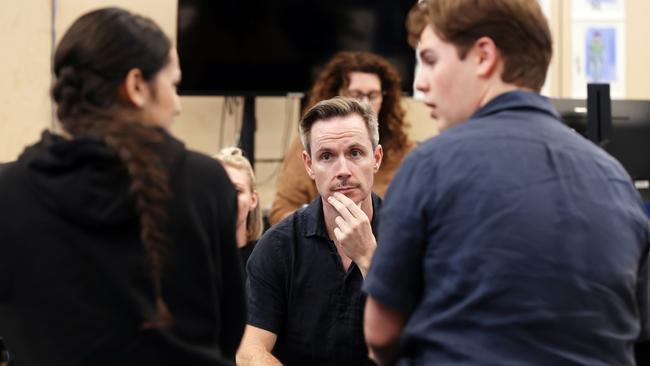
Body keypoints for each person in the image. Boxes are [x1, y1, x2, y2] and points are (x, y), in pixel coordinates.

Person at [363, 1, 650, 365]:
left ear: (484, 56)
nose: (420, 83)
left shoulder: (429, 164)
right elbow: (635, 332)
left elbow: (380, 334)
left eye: (432, 60)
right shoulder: (617, 180)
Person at [0, 7, 245, 366]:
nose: (177, 105)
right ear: (136, 86)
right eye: (174, 85)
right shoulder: (206, 183)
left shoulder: (8, 193)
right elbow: (230, 329)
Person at [237, 97, 383, 365]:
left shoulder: (410, 236)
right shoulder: (278, 246)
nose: (343, 171)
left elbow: (424, 341)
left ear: (376, 158)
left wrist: (368, 259)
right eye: (326, 156)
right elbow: (249, 351)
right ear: (309, 165)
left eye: (355, 153)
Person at [268, 51, 415, 225]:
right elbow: (281, 210)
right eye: (357, 95)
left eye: (373, 95)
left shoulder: (405, 151)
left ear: (377, 157)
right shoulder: (310, 144)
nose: (366, 103)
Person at [215, 147, 263, 266]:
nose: (227, 198)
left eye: (237, 190)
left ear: (253, 200)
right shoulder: (192, 259)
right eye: (218, 189)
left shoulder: (267, 257)